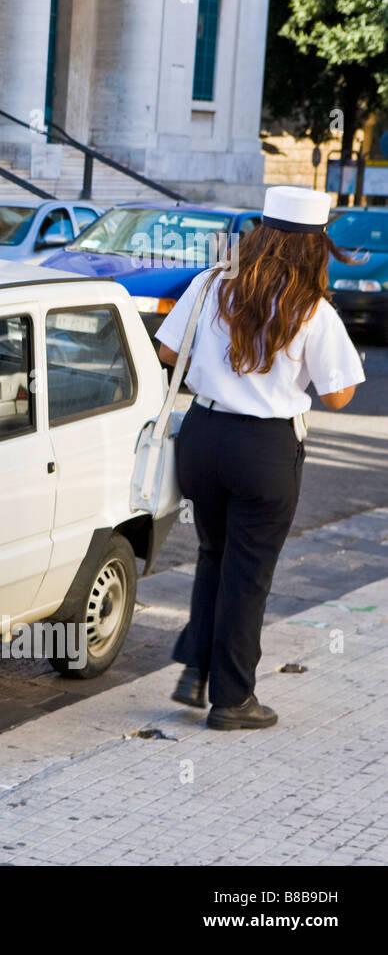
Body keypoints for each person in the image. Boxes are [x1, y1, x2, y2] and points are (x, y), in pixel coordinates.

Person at [155, 185, 365, 730]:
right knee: (247, 576)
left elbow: (166, 352)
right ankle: (232, 700)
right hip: (264, 449)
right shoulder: (311, 308)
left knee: (213, 554)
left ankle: (195, 669)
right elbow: (339, 394)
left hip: (202, 437)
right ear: (313, 246)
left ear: (260, 235)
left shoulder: (210, 284)